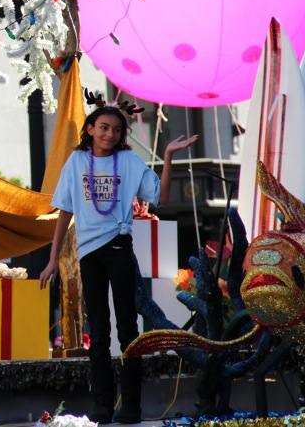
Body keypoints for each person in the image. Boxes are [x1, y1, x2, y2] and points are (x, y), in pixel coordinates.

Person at [38, 97, 197, 425]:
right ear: (91, 130)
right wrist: (52, 258)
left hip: (120, 249)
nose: (109, 134)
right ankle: (103, 404)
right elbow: (64, 211)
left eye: (116, 130)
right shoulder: (76, 161)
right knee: (98, 330)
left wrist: (166, 156)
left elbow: (162, 197)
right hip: (89, 254)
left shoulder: (128, 160)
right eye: (103, 128)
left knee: (129, 329)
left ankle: (131, 406)